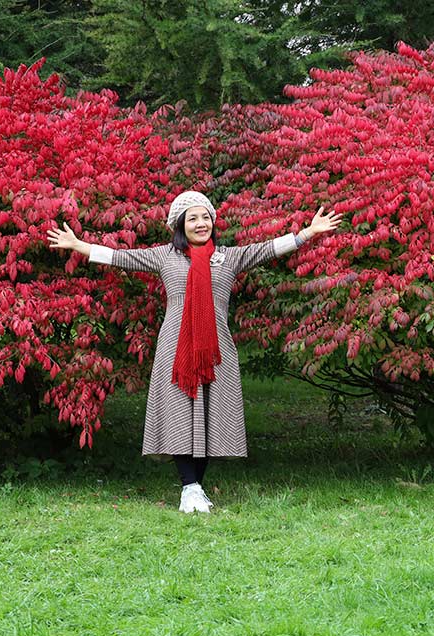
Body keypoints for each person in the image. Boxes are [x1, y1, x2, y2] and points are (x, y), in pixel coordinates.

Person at [47, 191, 342, 513]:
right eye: (193, 218)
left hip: (216, 349)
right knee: (179, 412)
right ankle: (189, 486)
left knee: (210, 415)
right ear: (180, 224)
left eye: (205, 217)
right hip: (176, 347)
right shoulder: (165, 257)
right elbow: (121, 257)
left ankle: (195, 487)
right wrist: (79, 246)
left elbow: (267, 249)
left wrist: (308, 234)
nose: (201, 224)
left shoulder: (228, 256)